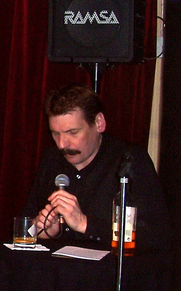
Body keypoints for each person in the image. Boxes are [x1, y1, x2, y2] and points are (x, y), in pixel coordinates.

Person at [22, 83, 170, 249]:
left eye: (73, 132)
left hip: (110, 265)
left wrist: (85, 224)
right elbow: (25, 228)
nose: (62, 144)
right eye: (55, 134)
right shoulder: (51, 159)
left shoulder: (129, 161)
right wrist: (41, 231)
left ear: (99, 123)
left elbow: (157, 236)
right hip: (57, 264)